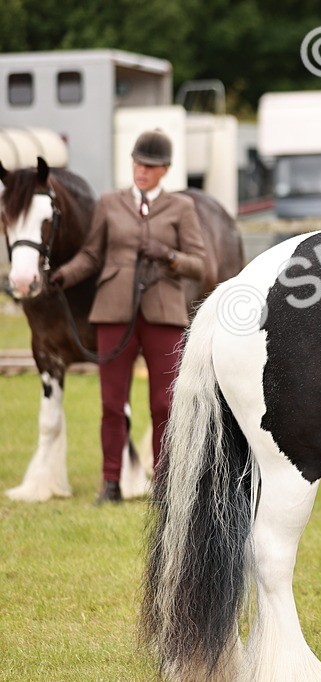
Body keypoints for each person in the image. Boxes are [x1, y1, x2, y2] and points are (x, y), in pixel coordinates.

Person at [52, 129, 209, 504]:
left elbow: (200, 265)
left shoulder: (181, 208)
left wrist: (168, 255)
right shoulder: (109, 203)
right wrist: (63, 275)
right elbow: (92, 255)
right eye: (138, 163)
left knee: (164, 403)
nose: (141, 171)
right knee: (111, 402)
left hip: (162, 311)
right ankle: (110, 482)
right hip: (114, 310)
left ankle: (165, 483)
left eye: (150, 166)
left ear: (165, 170)